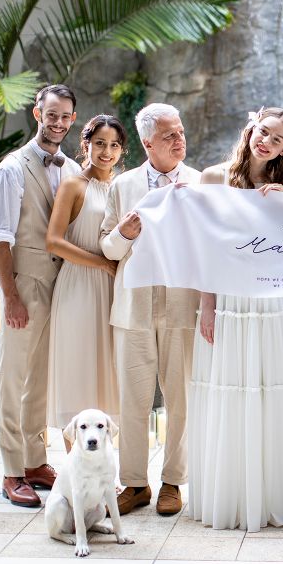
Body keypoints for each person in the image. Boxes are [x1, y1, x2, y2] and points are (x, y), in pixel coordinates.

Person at [188, 107, 283, 532]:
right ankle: (229, 497)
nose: (266, 142)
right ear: (251, 129)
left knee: (265, 389)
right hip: (228, 300)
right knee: (229, 389)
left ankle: (268, 496)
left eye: (277, 139)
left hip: (270, 302)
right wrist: (207, 305)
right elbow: (203, 248)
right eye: (263, 132)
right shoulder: (213, 178)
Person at [100, 103, 201, 516]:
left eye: (181, 132)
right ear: (147, 143)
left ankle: (173, 481)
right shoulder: (122, 185)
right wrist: (123, 233)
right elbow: (107, 248)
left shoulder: (200, 183)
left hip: (182, 306)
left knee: (182, 398)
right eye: (168, 135)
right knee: (133, 400)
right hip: (133, 308)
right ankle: (135, 483)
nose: (179, 140)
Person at [0, 84, 80, 507]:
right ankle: (12, 471)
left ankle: (34, 461)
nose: (58, 123)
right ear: (37, 114)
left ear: (73, 119)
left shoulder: (73, 168)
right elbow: (1, 238)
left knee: (41, 381)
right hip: (25, 284)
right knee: (12, 378)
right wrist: (10, 295)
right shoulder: (11, 168)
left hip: (60, 286)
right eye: (52, 115)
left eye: (65, 116)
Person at [46, 115, 127, 452]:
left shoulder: (124, 186)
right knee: (78, 369)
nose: (107, 152)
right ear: (86, 144)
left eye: (114, 145)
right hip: (79, 287)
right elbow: (54, 241)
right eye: (100, 144)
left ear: (122, 150)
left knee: (110, 371)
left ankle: (106, 467)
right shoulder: (73, 186)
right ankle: (75, 467)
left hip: (114, 289)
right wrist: (101, 263)